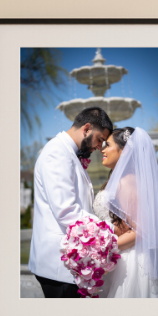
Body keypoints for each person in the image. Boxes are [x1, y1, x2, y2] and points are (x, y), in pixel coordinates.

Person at [29, 107, 113, 298]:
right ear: (87, 129)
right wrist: (112, 229)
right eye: (99, 139)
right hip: (58, 266)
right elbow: (67, 212)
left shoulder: (68, 153)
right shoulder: (57, 153)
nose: (100, 147)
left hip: (69, 261)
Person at [96, 127, 158, 298]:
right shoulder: (127, 180)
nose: (102, 149)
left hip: (131, 262)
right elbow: (126, 223)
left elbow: (141, 231)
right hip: (124, 254)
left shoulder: (126, 182)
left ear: (125, 151)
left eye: (108, 145)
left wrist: (102, 249)